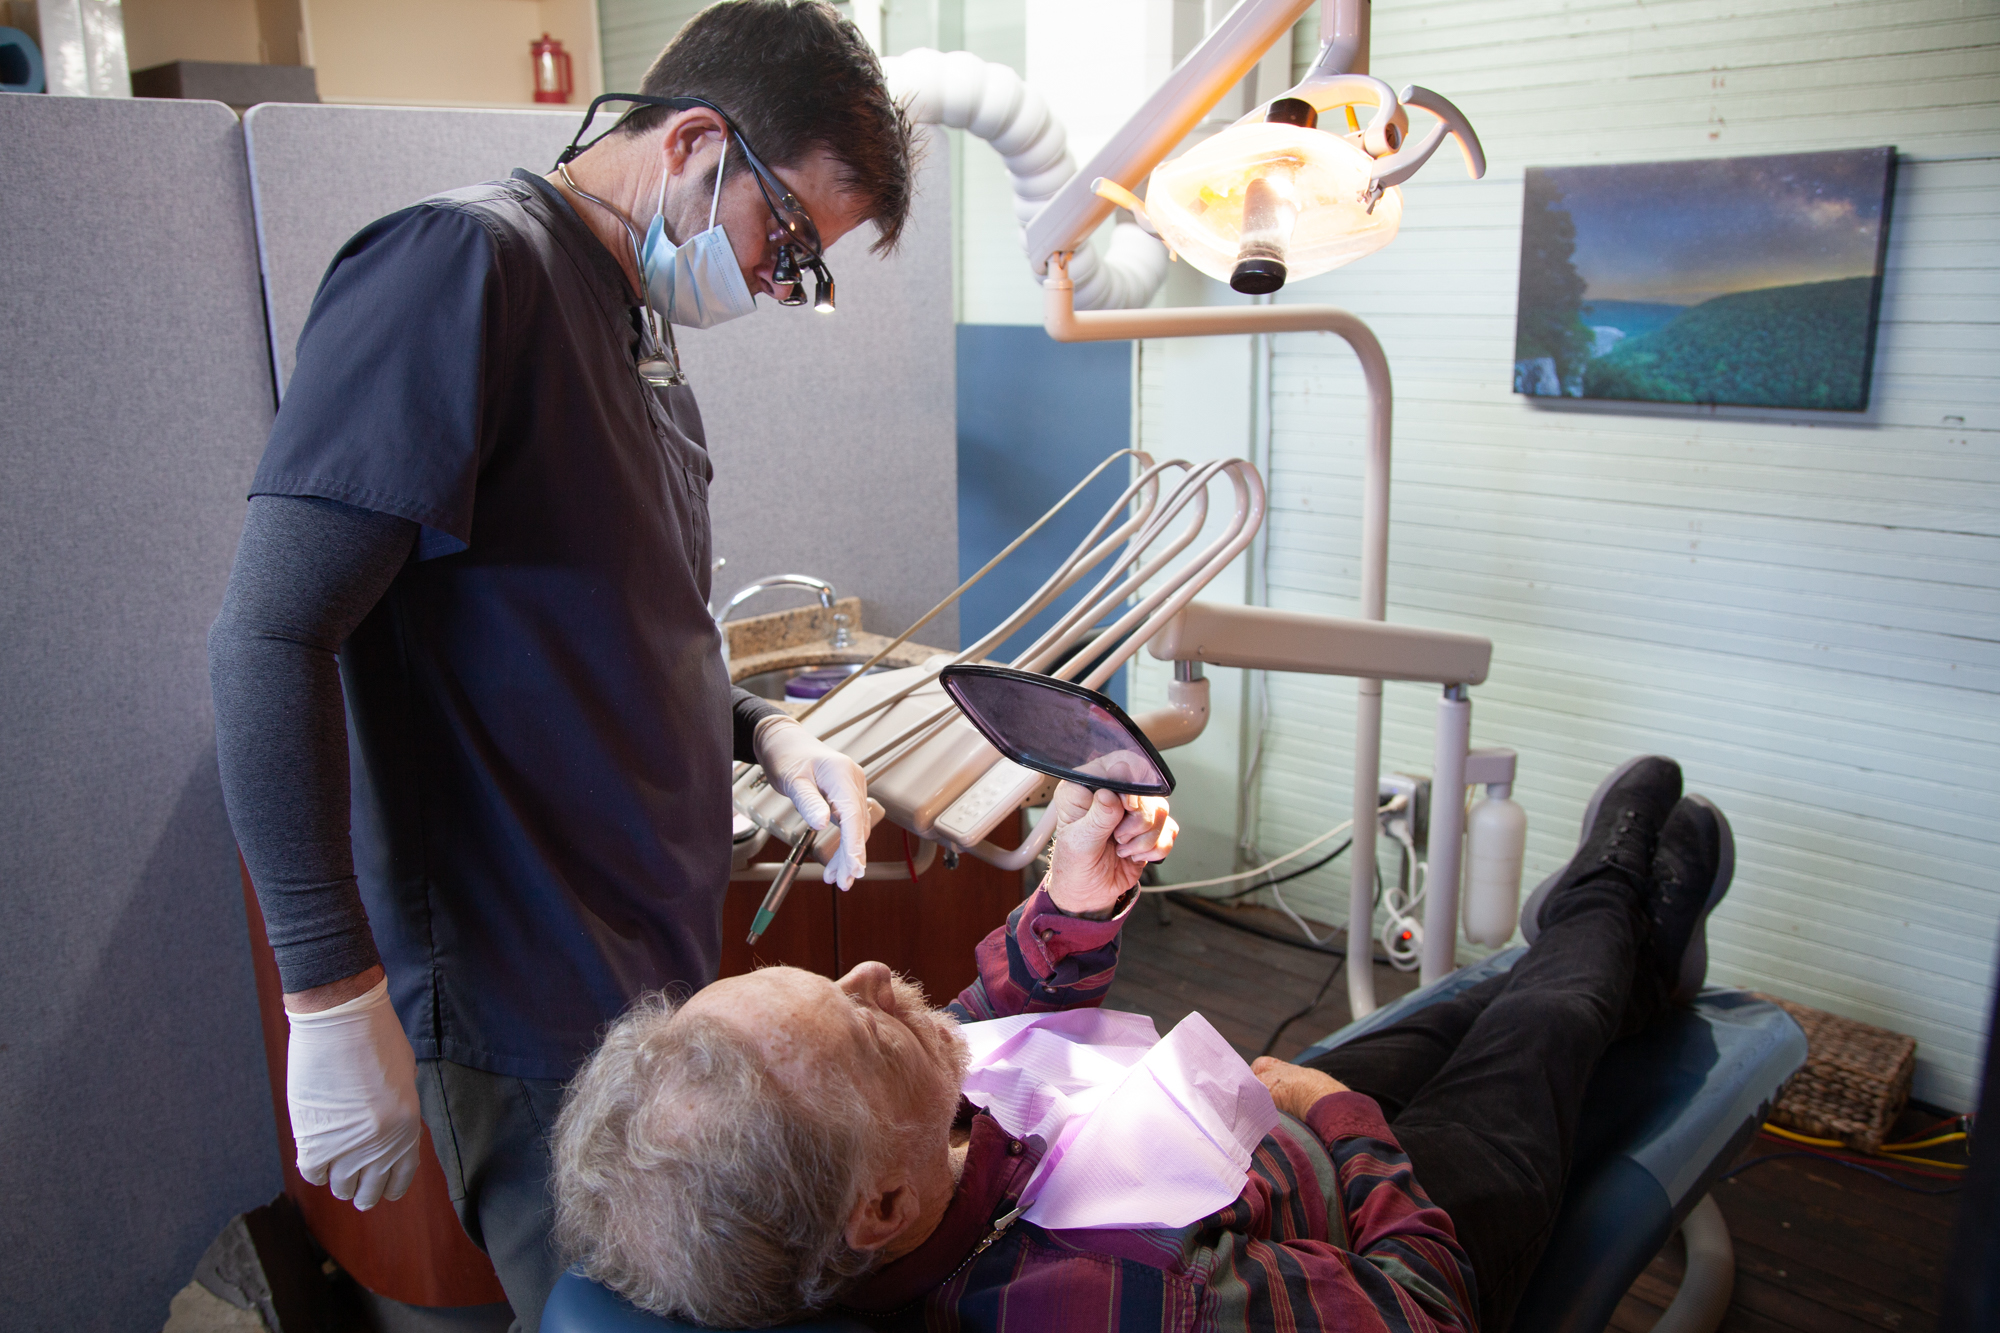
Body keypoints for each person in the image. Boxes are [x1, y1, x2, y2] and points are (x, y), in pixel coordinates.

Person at [205, 3, 915, 1325]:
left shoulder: (638, 331)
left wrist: (766, 731)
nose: (777, 282)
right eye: (794, 240)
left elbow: (625, 624)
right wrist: (327, 985)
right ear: (699, 141)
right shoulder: (466, 270)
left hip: (638, 966)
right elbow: (268, 636)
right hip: (528, 996)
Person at [551, 756, 1732, 1332]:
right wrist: (1334, 1115)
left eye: (823, 976)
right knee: (1536, 1033)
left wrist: (1074, 896)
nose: (872, 975)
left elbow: (968, 1032)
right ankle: (1611, 902)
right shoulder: (1127, 1301)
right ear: (880, 1204)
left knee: (1460, 1006)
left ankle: (1612, 939)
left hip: (1231, 1126)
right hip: (1372, 1207)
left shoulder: (874, 1166)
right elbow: (1418, 1308)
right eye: (859, 1018)